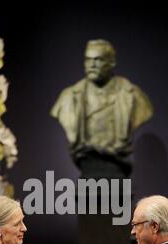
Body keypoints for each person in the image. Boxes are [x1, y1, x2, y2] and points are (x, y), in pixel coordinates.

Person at [51, 39, 153, 178]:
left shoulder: (133, 96)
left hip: (116, 173)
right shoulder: (69, 98)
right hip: (88, 171)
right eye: (88, 60)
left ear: (112, 63)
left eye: (98, 60)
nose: (92, 65)